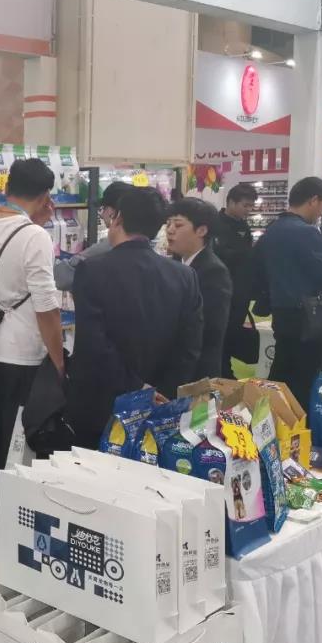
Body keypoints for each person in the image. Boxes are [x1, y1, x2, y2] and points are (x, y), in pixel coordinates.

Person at [67, 188, 204, 446]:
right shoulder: (184, 275)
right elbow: (190, 346)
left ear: (117, 218)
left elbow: (94, 345)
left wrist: (137, 388)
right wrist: (159, 391)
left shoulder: (93, 270)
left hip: (102, 404)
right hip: (161, 405)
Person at [0, 158, 64, 525]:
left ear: (7, 188)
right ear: (44, 196)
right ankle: (9, 513)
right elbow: (46, 307)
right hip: (23, 353)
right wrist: (59, 360)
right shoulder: (35, 237)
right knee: (20, 436)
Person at [253, 176, 322, 404]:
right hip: (307, 316)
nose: (321, 212)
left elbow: (259, 272)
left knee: (282, 370)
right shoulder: (307, 232)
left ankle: (274, 416)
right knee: (304, 376)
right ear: (313, 200)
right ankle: (300, 419)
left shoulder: (272, 230)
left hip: (281, 312)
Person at [166, 198, 233, 379]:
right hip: (172, 366)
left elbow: (211, 329)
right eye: (168, 223)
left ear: (201, 230)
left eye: (178, 225)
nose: (170, 230)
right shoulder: (174, 264)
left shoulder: (213, 271)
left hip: (197, 370)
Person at [54, 181, 135, 291]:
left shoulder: (107, 247)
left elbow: (62, 278)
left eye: (103, 208)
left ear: (113, 212)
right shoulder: (144, 246)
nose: (101, 215)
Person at [214, 183, 257, 377]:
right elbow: (220, 256)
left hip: (241, 292)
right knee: (220, 335)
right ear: (231, 202)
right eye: (245, 205)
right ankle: (223, 372)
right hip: (221, 291)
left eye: (251, 206)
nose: (248, 210)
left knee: (232, 333)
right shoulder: (215, 225)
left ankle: (226, 369)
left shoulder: (244, 226)